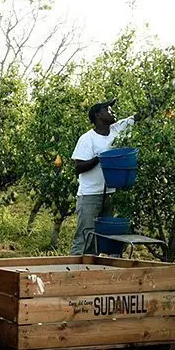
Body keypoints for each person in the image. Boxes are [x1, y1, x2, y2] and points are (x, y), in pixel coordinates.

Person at [70, 98, 134, 255]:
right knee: (86, 237)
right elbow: (78, 167)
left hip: (110, 193)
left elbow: (138, 116)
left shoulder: (117, 130)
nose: (112, 111)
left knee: (102, 238)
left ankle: (92, 271)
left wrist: (165, 93)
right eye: (108, 109)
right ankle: (73, 271)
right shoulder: (87, 138)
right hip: (90, 195)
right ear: (98, 115)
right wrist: (100, 158)